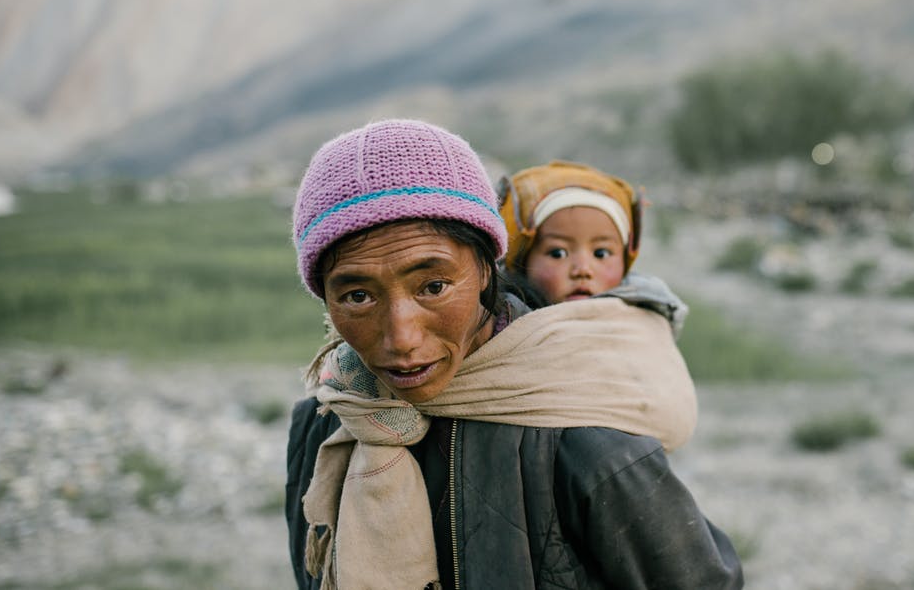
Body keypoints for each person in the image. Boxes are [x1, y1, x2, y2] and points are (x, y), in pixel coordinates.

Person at [285, 119, 743, 589]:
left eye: (434, 286)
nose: (401, 339)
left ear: (488, 269)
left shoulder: (587, 443)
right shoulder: (324, 425)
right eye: (358, 296)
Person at [498, 160, 688, 334]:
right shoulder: (502, 326)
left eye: (601, 253)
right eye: (558, 253)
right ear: (521, 260)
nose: (583, 270)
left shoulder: (648, 323)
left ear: (625, 260)